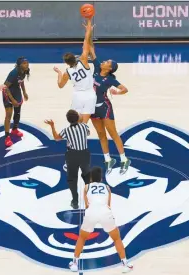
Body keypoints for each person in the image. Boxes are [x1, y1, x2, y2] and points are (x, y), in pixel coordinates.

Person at [69, 166, 133, 273]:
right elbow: (108, 204)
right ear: (101, 179)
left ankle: (74, 263)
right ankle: (125, 264)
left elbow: (87, 205)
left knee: (82, 237)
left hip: (91, 213)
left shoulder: (87, 187)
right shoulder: (107, 187)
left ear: (90, 179)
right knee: (116, 238)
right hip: (105, 212)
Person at [86, 38, 131, 175]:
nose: (104, 62)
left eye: (107, 62)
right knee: (100, 134)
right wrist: (89, 30)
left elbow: (125, 89)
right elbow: (91, 49)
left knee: (112, 133)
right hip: (92, 107)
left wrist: (116, 92)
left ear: (109, 68)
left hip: (104, 107)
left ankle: (124, 159)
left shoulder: (111, 79)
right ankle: (108, 160)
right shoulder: (97, 67)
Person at [44, 110, 90, 210]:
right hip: (84, 154)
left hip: (72, 155)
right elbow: (88, 133)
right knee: (87, 177)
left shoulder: (66, 130)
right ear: (78, 118)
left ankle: (75, 201)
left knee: (72, 179)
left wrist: (52, 126)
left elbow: (56, 138)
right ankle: (88, 199)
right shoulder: (84, 127)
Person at [53, 19, 95, 124]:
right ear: (75, 57)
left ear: (66, 63)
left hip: (78, 95)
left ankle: (75, 136)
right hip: (90, 94)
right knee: (84, 123)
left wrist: (59, 73)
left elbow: (60, 85)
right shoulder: (83, 61)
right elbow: (86, 42)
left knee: (75, 122)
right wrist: (88, 27)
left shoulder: (67, 72)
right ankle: (84, 131)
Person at [3, 57, 30, 147]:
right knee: (8, 115)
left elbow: (21, 82)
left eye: (27, 63)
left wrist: (24, 92)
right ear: (19, 65)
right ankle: (7, 137)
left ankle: (14, 129)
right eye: (24, 63)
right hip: (7, 93)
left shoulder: (24, 71)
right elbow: (5, 87)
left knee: (17, 112)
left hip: (16, 91)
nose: (27, 65)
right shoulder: (13, 73)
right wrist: (12, 100)